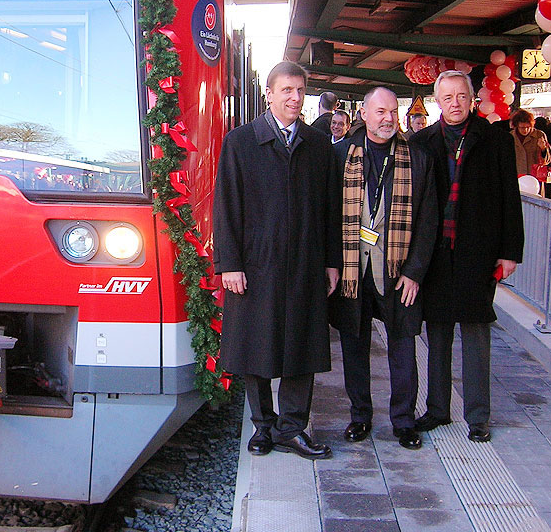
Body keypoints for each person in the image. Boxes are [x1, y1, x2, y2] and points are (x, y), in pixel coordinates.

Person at [213, 60, 341, 460]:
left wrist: (331, 261)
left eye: (300, 91)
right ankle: (263, 426)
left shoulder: (318, 145)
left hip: (305, 263)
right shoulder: (241, 142)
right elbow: (226, 206)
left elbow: (330, 209)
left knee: (302, 348)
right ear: (268, 94)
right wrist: (229, 264)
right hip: (256, 265)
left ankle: (292, 428)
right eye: (286, 90)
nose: (294, 98)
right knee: (255, 348)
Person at [410, 70, 524, 443]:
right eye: (447, 98)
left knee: (476, 334)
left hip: (478, 250)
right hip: (436, 252)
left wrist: (510, 252)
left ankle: (478, 416)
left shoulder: (494, 140)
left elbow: (511, 198)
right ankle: (438, 409)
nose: (455, 103)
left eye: (461, 96)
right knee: (437, 332)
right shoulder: (423, 142)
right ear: (436, 102)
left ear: (472, 98)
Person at [332, 87, 437, 450]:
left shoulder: (418, 159)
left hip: (397, 272)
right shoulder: (340, 154)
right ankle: (360, 416)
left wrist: (415, 271)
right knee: (354, 346)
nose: (388, 118)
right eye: (380, 111)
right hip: (352, 271)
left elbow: (428, 221)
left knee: (403, 347)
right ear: (364, 113)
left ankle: (404, 420)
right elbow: (329, 216)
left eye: (393, 111)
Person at [511, 109, 551, 177]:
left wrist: (543, 149)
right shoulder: (511, 137)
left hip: (535, 176)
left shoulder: (539, 135)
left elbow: (547, 161)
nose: (525, 130)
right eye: (522, 127)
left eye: (528, 127)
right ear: (516, 126)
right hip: (516, 176)